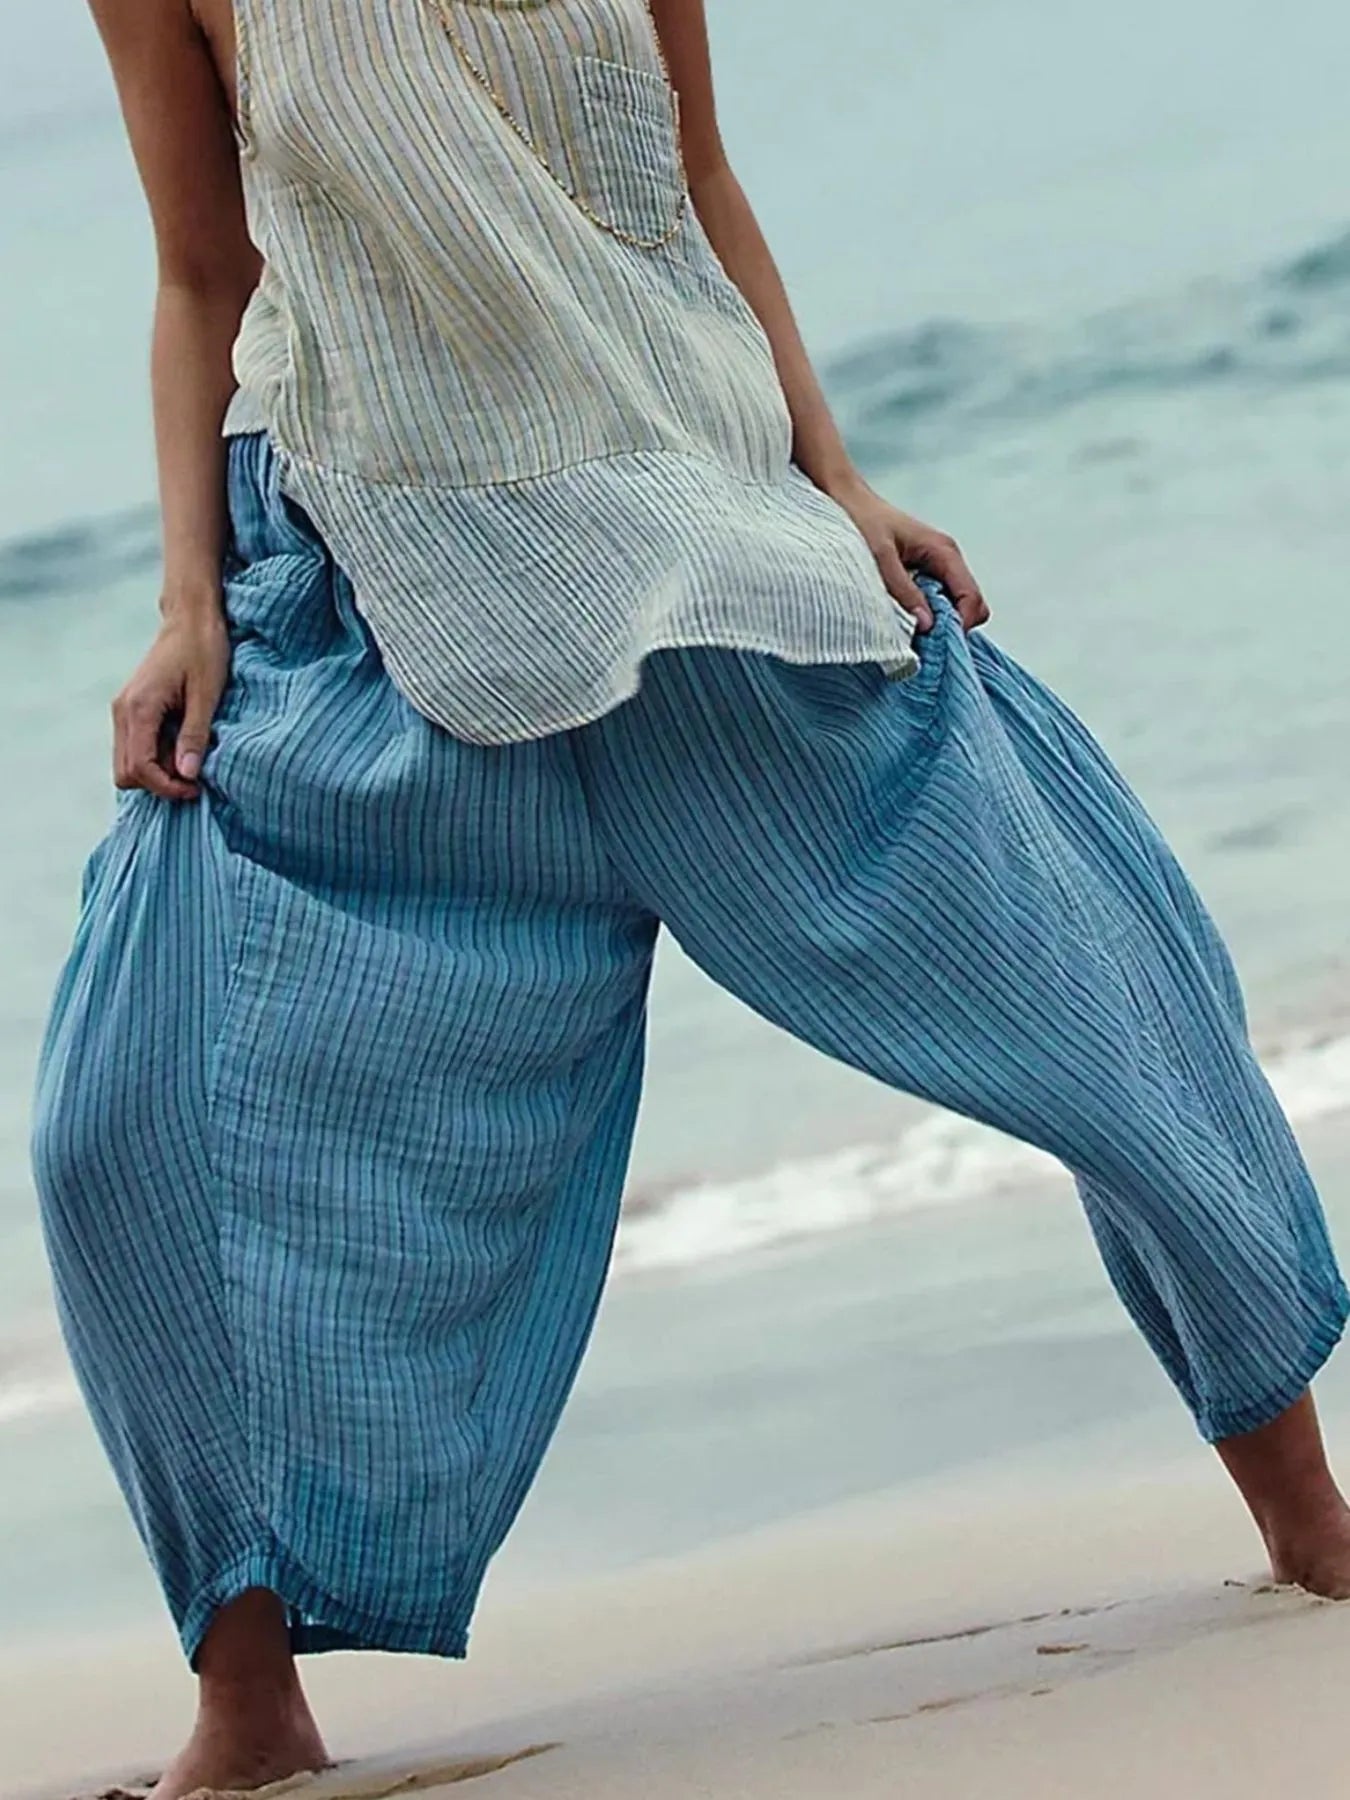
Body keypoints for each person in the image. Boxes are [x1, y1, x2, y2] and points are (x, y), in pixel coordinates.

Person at [31, 0, 1350, 1794]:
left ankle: (1310, 1523)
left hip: (695, 542)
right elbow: (204, 276)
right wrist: (188, 602)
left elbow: (697, 177)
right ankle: (247, 1704)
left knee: (1083, 977)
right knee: (125, 1112)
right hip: (359, 595)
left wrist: (840, 479)